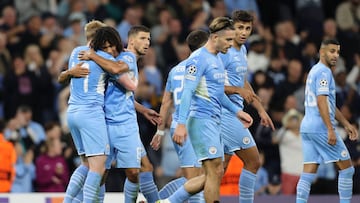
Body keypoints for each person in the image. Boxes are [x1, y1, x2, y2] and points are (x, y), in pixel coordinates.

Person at [157, 17, 253, 203]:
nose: (230, 45)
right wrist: (181, 124)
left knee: (215, 171)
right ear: (215, 37)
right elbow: (187, 93)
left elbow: (218, 94)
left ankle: (167, 202)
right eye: (228, 40)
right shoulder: (198, 59)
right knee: (213, 171)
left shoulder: (216, 59)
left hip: (213, 120)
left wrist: (237, 111)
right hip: (201, 120)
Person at [79, 25, 161, 203]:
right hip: (107, 124)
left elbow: (124, 94)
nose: (147, 43)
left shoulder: (128, 59)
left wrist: (142, 109)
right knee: (101, 173)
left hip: (126, 125)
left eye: (148, 39)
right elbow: (121, 74)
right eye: (142, 38)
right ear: (131, 40)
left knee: (134, 171)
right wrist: (92, 54)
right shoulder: (127, 58)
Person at [62, 21, 128, 203]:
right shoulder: (103, 58)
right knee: (98, 167)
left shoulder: (76, 52)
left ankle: (68, 201)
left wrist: (67, 72)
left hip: (73, 112)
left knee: (85, 164)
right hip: (91, 113)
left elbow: (64, 76)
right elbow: (119, 69)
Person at [218, 10, 274, 203]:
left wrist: (260, 109)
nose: (243, 32)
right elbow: (212, 86)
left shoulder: (242, 50)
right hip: (225, 113)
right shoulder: (223, 52)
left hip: (234, 112)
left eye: (247, 28)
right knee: (253, 161)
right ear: (231, 27)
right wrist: (238, 91)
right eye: (239, 27)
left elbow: (243, 82)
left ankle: (170, 199)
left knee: (218, 170)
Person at [296, 39, 358, 203]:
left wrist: (345, 123)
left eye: (337, 52)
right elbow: (322, 101)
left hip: (307, 126)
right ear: (321, 52)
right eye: (331, 51)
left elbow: (329, 104)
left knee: (309, 171)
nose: (335, 55)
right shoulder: (324, 72)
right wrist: (330, 129)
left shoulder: (314, 70)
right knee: (347, 170)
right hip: (321, 127)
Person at [150, 30, 209, 202]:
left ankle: (158, 199)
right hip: (190, 126)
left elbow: (166, 103)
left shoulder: (175, 70)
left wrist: (160, 131)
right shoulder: (203, 67)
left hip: (180, 126)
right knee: (195, 180)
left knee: (199, 177)